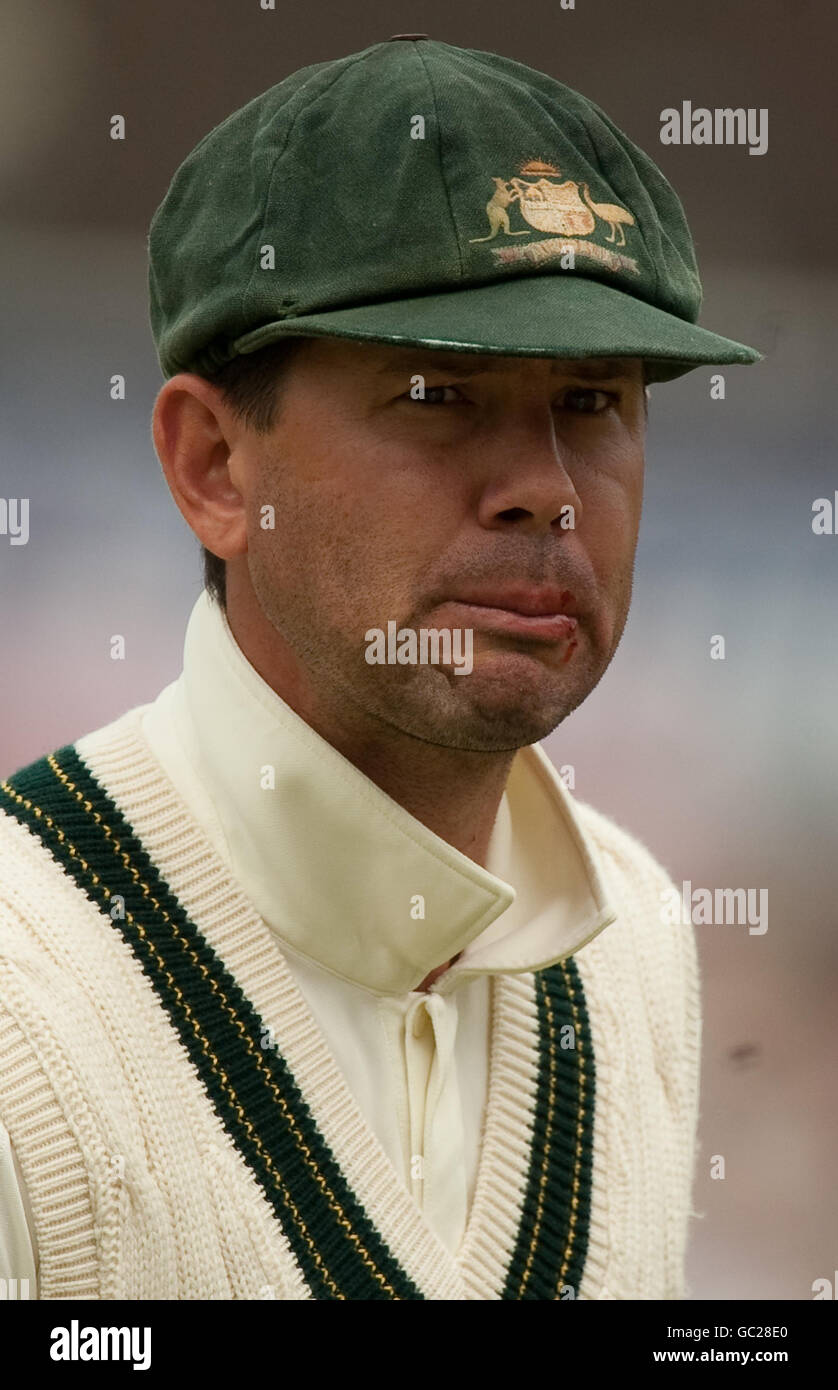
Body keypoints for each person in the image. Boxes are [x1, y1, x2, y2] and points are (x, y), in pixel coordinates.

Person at [0, 36, 760, 1301]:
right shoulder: (25, 994)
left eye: (592, 402)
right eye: (435, 394)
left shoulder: (637, 947)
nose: (543, 494)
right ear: (214, 467)